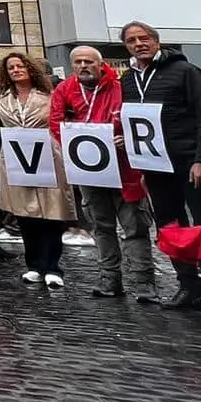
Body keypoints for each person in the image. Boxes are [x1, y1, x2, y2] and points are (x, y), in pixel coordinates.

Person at [116, 21, 201, 310]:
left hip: (189, 163)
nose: (139, 44)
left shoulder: (185, 72)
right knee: (170, 227)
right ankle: (189, 286)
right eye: (132, 40)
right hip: (154, 166)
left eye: (144, 38)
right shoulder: (127, 79)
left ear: (156, 41)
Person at [53, 46, 153, 300]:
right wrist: (71, 140)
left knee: (134, 227)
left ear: (101, 64)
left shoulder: (121, 88)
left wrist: (126, 138)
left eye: (89, 61)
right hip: (89, 171)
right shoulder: (64, 89)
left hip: (124, 171)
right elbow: (55, 121)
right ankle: (110, 278)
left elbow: (137, 120)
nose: (83, 66)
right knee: (101, 226)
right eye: (78, 62)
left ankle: (143, 282)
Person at [0, 52, 74, 288]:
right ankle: (34, 265)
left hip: (47, 155)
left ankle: (53, 266)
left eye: (20, 66)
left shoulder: (50, 94)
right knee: (25, 215)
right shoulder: (0, 95)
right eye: (11, 68)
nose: (16, 70)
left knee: (51, 213)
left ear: (30, 69)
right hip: (15, 157)